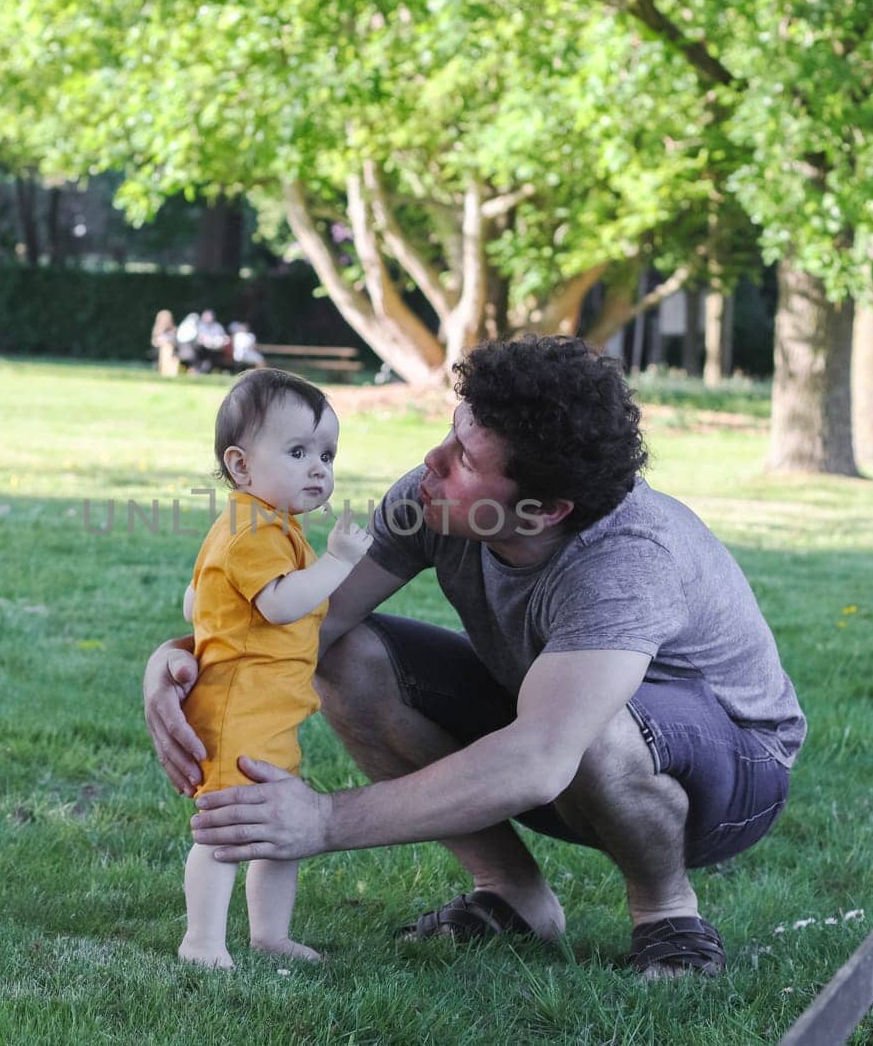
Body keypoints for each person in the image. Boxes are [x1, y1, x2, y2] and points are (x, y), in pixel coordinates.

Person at [143, 336, 804, 978]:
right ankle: (513, 895)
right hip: (552, 736)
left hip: (727, 774)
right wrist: (178, 664)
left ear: (544, 510)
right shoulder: (428, 498)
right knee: (346, 655)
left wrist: (322, 819)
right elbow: (308, 624)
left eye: (464, 457)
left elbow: (542, 756)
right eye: (451, 432)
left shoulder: (626, 562)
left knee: (596, 725)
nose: (432, 460)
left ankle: (666, 915)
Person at [175, 368, 373, 968]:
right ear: (240, 466)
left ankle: (269, 935)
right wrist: (339, 563)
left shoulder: (262, 525)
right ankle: (202, 941)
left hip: (268, 709)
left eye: (327, 454)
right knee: (230, 829)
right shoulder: (254, 529)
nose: (319, 468)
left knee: (278, 825)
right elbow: (281, 602)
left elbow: (194, 600)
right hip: (239, 709)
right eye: (297, 451)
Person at [151, 310, 179, 377]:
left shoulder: (174, 329)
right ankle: (164, 369)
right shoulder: (157, 330)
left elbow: (175, 342)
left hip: (172, 350)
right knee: (165, 348)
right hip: (159, 350)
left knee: (168, 348)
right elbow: (154, 342)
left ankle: (166, 370)